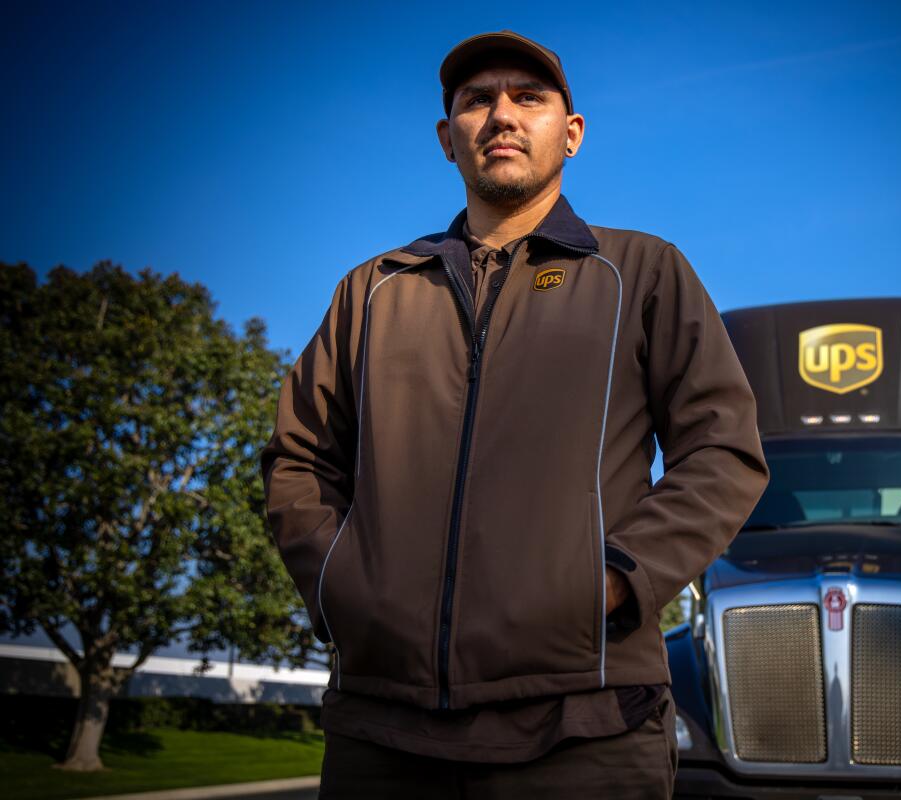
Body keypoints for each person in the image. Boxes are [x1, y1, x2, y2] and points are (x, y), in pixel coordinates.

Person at [260, 29, 769, 799]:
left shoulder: (641, 272)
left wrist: (616, 580)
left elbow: (724, 452)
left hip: (587, 724)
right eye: (476, 101)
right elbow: (298, 460)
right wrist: (342, 584)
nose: (501, 114)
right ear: (447, 139)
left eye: (527, 98)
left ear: (570, 135)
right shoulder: (372, 291)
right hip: (381, 728)